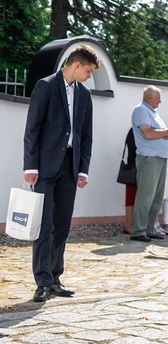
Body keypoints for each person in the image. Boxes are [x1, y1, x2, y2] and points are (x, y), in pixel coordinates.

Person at [23, 44, 99, 302]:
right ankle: (42, 281)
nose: (90, 76)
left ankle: (55, 278)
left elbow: (86, 135)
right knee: (44, 225)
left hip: (70, 167)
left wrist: (83, 170)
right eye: (88, 71)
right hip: (45, 167)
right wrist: (30, 166)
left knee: (62, 225)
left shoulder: (85, 95)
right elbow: (32, 129)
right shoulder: (45, 86)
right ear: (77, 65)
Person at [130, 86, 168, 242]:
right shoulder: (141, 110)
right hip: (150, 159)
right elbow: (148, 133)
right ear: (149, 97)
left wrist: (164, 133)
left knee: (157, 198)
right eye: (158, 98)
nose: (161, 101)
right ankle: (138, 231)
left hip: (160, 159)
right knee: (146, 196)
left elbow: (156, 133)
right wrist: (167, 131)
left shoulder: (153, 113)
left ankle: (149, 228)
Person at [122, 128, 138, 235]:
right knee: (131, 198)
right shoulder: (134, 130)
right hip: (133, 166)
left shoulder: (134, 130)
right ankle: (128, 225)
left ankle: (132, 225)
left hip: (136, 165)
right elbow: (133, 148)